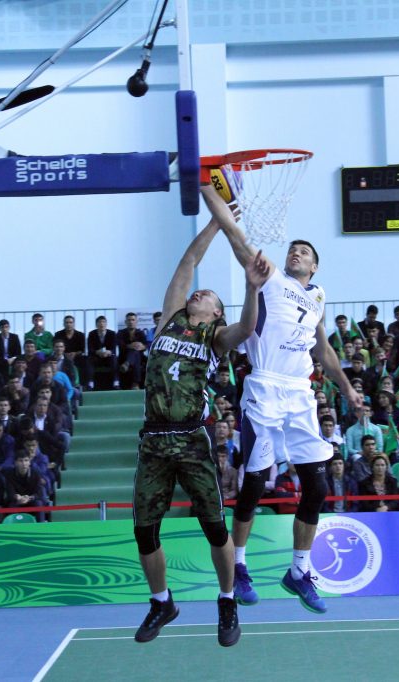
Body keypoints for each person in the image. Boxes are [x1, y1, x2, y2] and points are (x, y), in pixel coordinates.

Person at [203, 186, 362, 615]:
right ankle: (238, 564)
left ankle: (299, 570)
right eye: (293, 248)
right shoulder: (269, 276)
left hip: (300, 395)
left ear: (315, 265)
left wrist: (346, 387)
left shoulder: (318, 297)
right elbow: (235, 235)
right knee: (254, 482)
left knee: (318, 484)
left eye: (304, 251)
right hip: (264, 387)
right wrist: (206, 188)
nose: (296, 253)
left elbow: (323, 350)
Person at [131, 211, 268, 648]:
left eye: (209, 295)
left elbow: (248, 326)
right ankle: (161, 602)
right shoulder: (170, 319)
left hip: (192, 438)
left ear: (216, 312)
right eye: (199, 292)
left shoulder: (216, 337)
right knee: (144, 531)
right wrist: (214, 221)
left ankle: (226, 601)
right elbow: (188, 263)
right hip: (153, 438)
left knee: (214, 526)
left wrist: (250, 286)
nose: (200, 292)